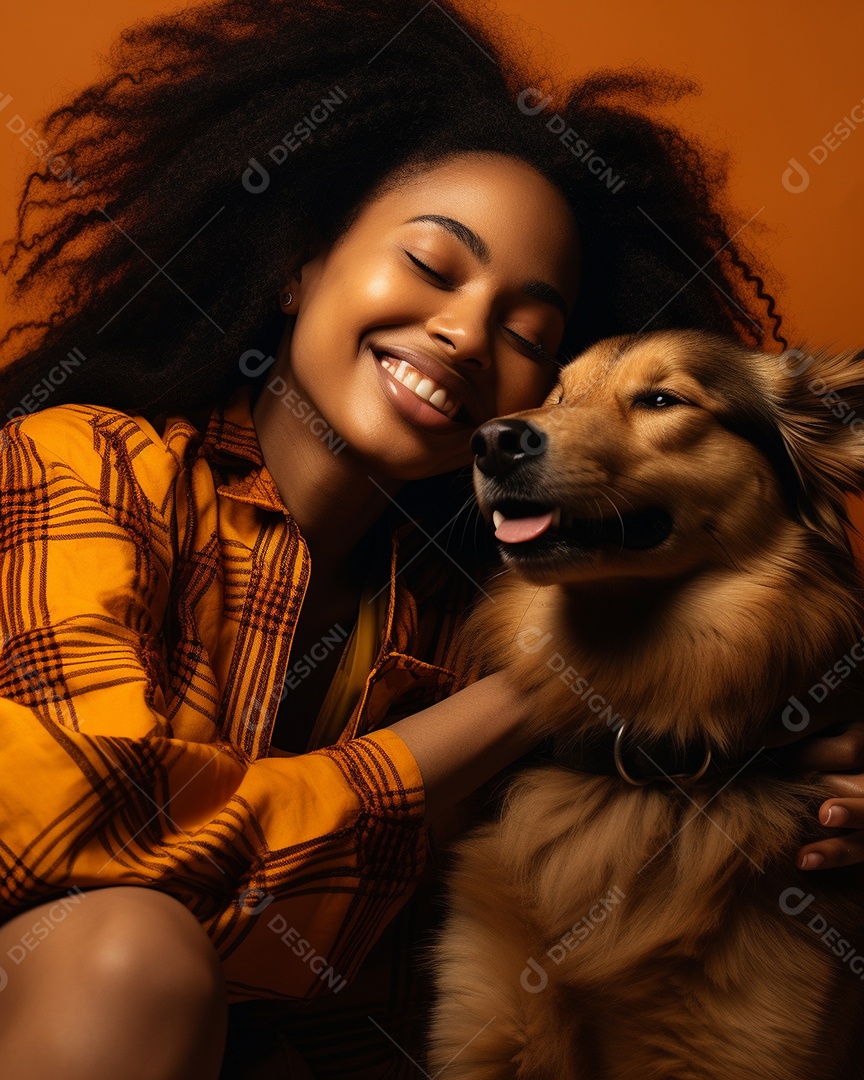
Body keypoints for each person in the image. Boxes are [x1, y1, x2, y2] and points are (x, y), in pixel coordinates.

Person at [0, 1, 861, 1077]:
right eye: (433, 266)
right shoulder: (82, 464)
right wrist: (531, 692)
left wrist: (817, 775)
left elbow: (723, 714)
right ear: (298, 265)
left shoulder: (476, 603)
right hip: (56, 1002)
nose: (464, 333)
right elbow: (93, 838)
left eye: (527, 335)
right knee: (128, 949)